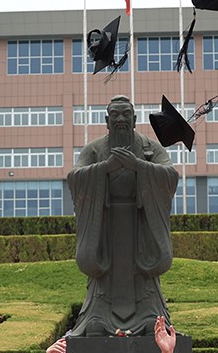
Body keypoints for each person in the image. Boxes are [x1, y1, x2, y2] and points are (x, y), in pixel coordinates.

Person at [65, 96, 180, 336]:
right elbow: (75, 178)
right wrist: (105, 167)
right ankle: (97, 316)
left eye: (126, 114)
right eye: (115, 115)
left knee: (144, 282)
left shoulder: (150, 148)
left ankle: (150, 316)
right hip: (105, 228)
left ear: (134, 119)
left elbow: (169, 175)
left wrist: (138, 165)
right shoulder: (94, 149)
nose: (120, 119)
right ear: (106, 120)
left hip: (141, 227)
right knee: (102, 290)